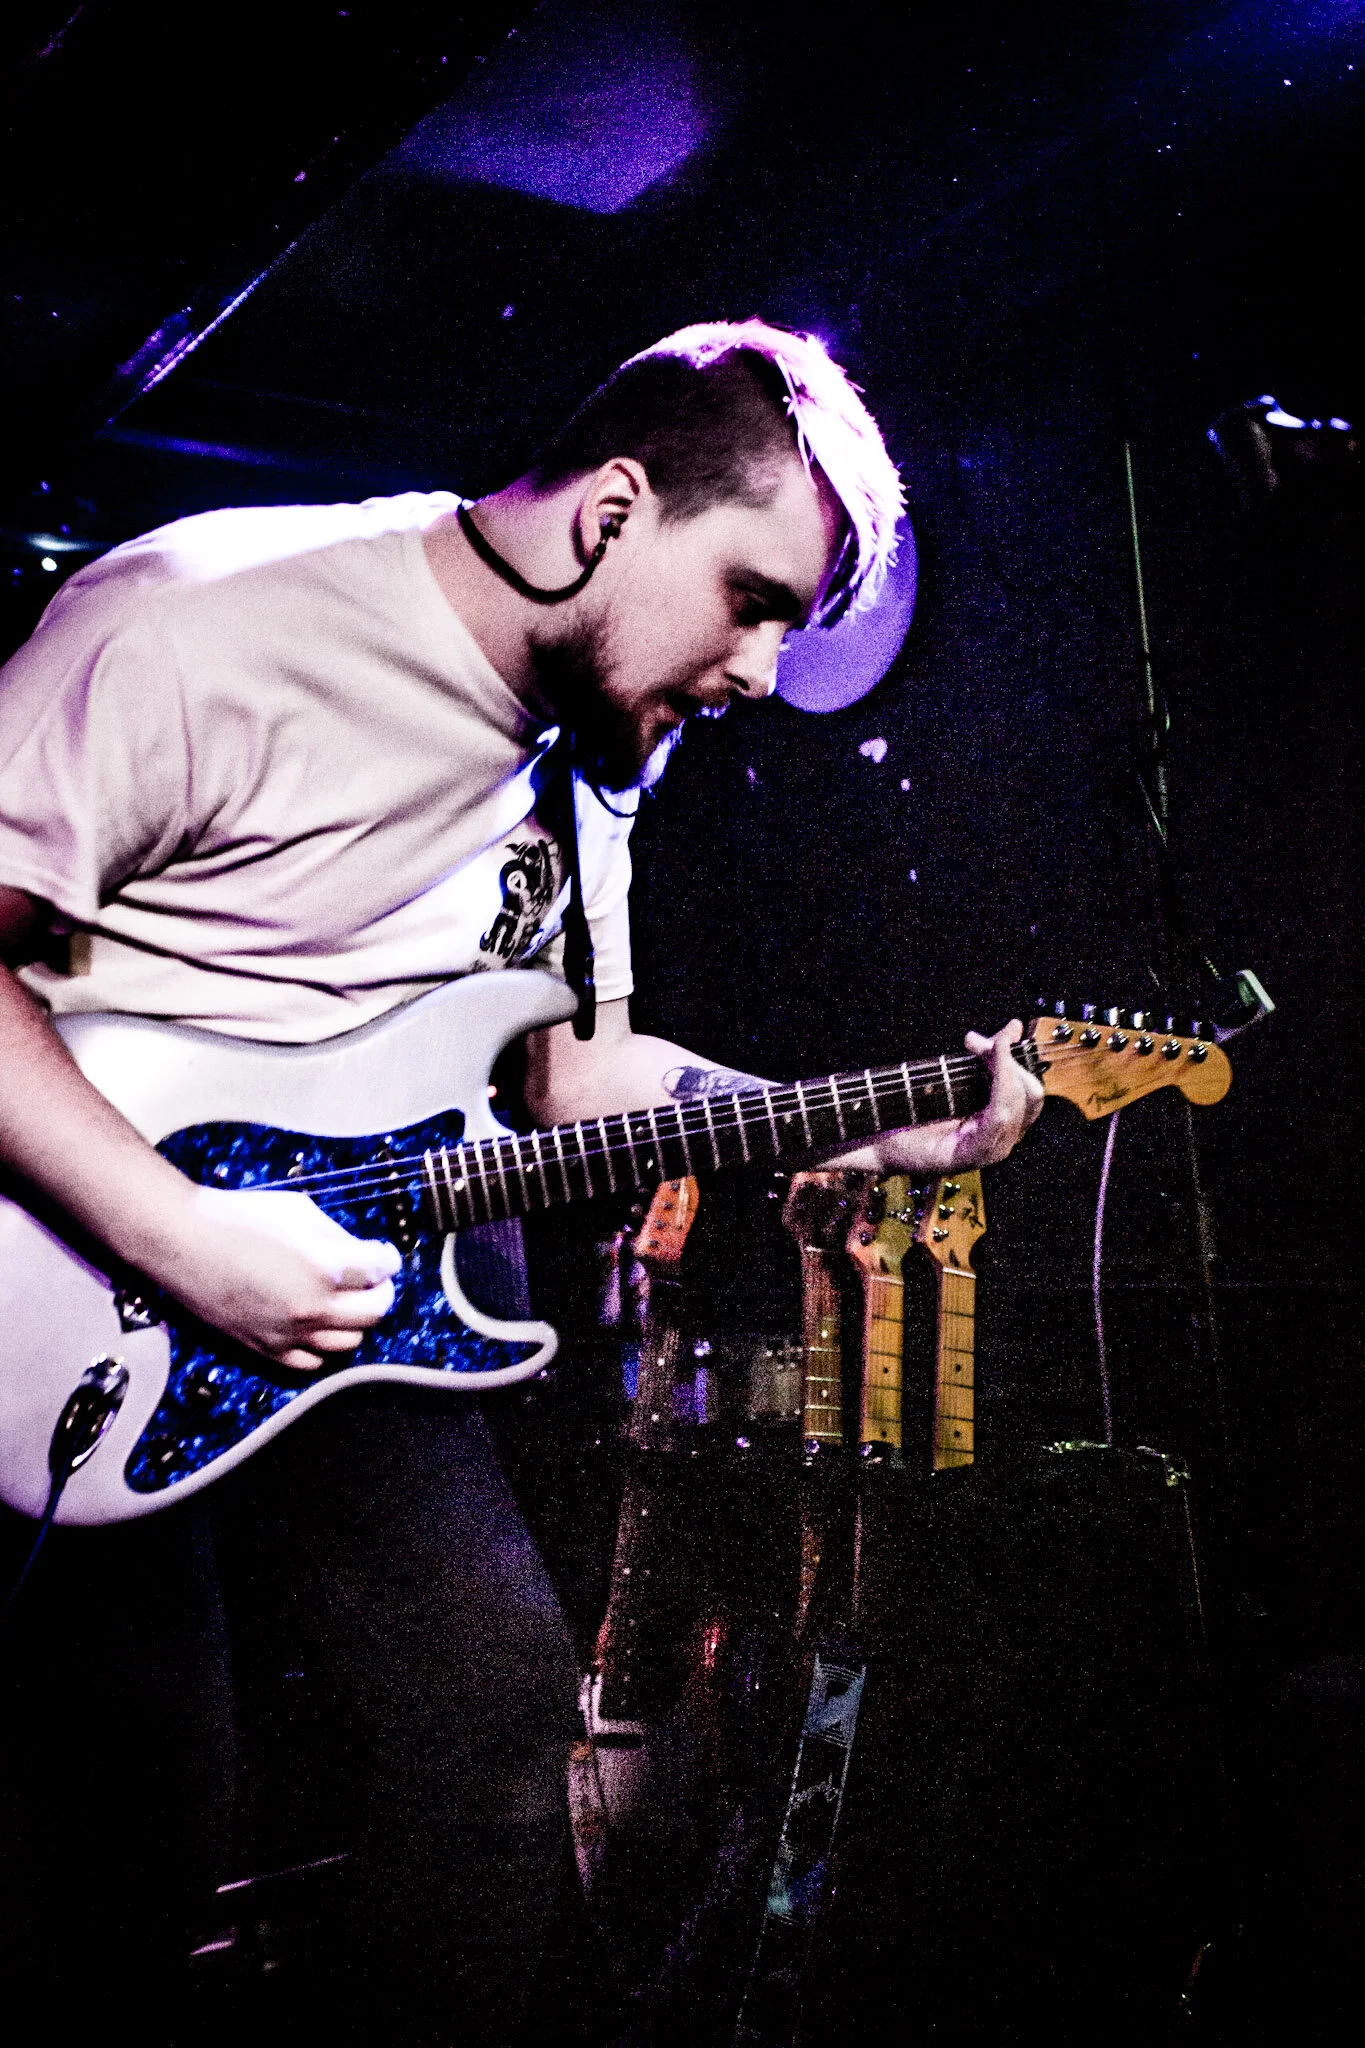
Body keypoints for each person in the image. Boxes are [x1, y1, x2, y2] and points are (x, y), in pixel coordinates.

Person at [0, 321, 1042, 2039]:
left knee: (487, 1751)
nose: (762, 673)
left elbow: (573, 1076)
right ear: (613, 512)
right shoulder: (198, 618)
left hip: (342, 1308)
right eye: (753, 602)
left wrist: (852, 1124)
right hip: (66, 1270)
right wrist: (179, 1233)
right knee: (132, 1829)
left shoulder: (598, 753)